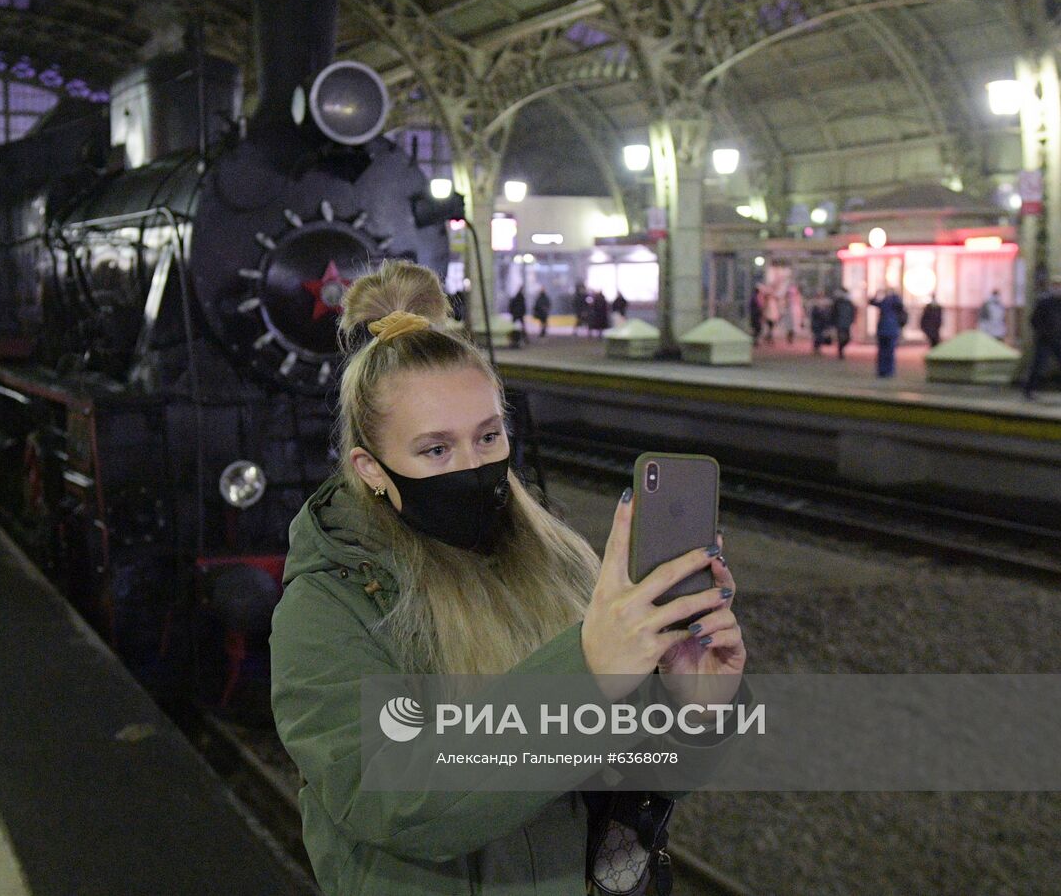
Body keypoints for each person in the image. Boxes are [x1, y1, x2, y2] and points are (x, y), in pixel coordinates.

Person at [270, 261, 747, 896]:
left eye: (489, 436)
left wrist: (696, 710)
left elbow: (643, 776)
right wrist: (587, 673)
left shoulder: (563, 563)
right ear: (372, 468)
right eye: (436, 449)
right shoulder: (331, 604)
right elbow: (389, 796)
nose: (474, 466)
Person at [1023, 270, 1061, 401]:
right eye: (1056, 285)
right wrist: (1043, 331)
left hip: (1057, 338)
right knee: (1039, 364)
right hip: (1044, 339)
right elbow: (1034, 319)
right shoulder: (1044, 302)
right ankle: (1029, 390)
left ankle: (1030, 389)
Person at [869, 286, 906, 378]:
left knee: (884, 352)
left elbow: (872, 302)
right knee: (888, 352)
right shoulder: (893, 302)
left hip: (885, 330)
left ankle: (884, 371)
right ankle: (888, 371)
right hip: (890, 330)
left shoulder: (886, 302)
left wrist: (877, 294)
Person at [831, 288, 856, 359]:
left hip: (847, 323)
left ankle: (841, 350)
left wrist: (852, 321)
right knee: (841, 338)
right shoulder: (838, 302)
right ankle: (840, 353)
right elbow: (833, 313)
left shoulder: (849, 303)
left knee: (847, 338)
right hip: (839, 323)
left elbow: (852, 312)